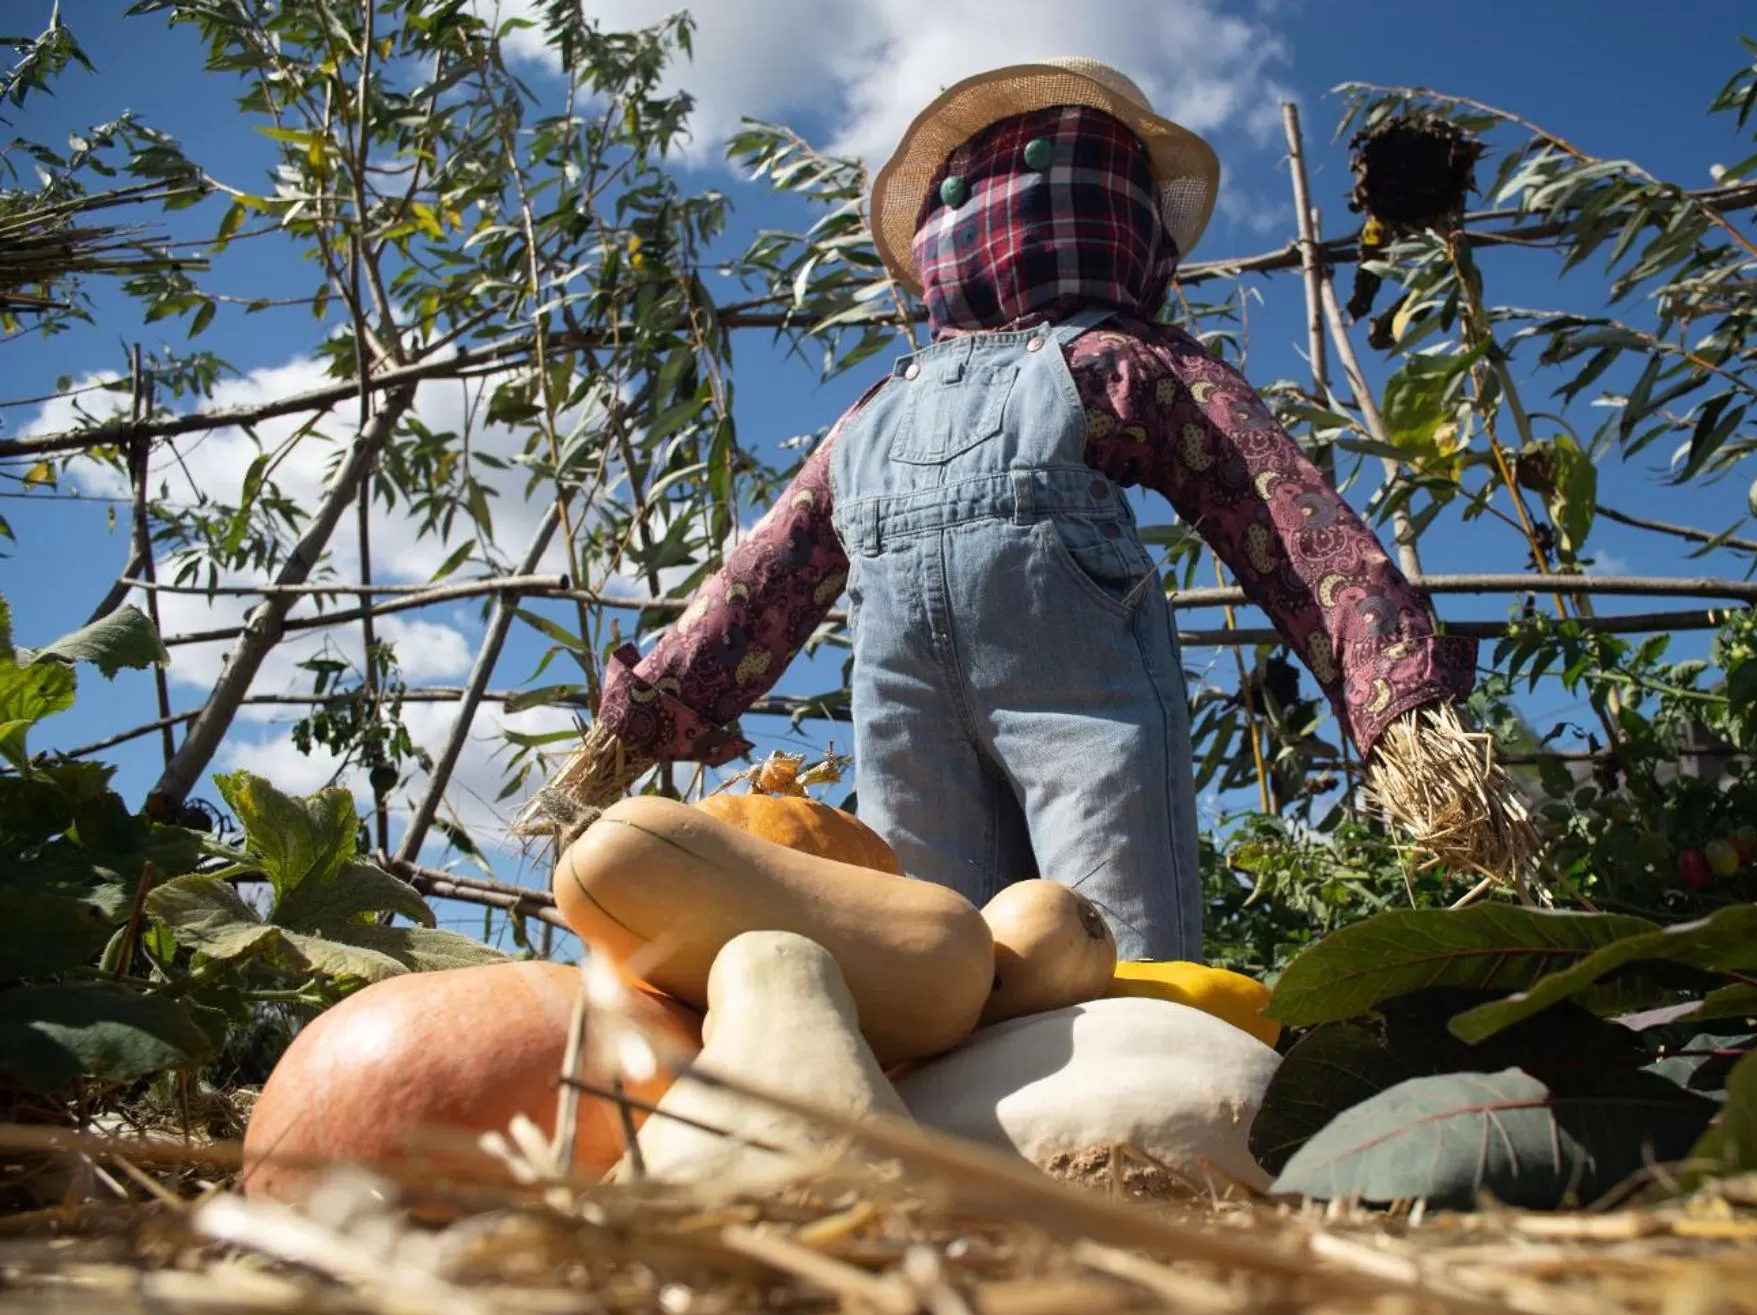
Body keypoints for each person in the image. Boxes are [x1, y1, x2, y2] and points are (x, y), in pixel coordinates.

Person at [534, 59, 1523, 963]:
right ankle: (1052, 1148)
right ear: (1130, 225)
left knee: (997, 948)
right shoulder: (1119, 367)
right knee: (1022, 953)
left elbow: (760, 584)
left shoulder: (894, 413)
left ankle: (1084, 1150)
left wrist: (638, 727)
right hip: (1020, 706)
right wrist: (1400, 697)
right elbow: (1291, 527)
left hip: (934, 717)